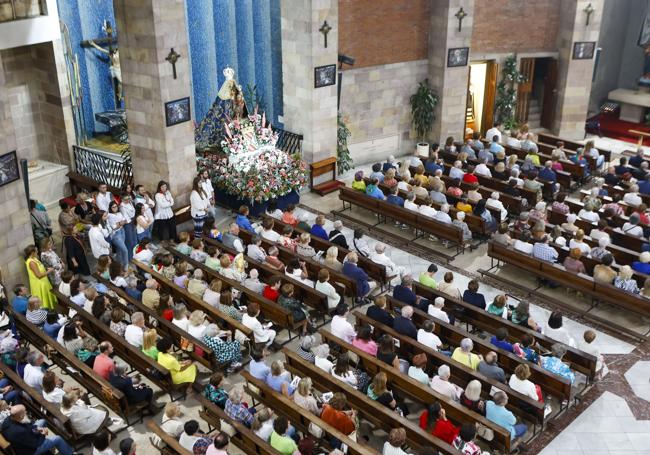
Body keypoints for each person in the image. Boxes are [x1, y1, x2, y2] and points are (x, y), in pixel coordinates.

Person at [1, 404, 74, 455]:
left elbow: (27, 426)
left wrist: (36, 428)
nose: (26, 412)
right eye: (25, 411)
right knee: (57, 439)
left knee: (42, 421)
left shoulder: (8, 420)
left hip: (24, 440)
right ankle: (69, 453)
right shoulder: (20, 431)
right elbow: (36, 444)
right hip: (30, 451)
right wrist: (43, 434)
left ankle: (49, 447)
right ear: (20, 416)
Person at [24, 245, 56, 310]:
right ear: (32, 253)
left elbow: (40, 268)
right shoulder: (31, 262)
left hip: (44, 281)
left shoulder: (35, 259)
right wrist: (49, 271)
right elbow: (39, 275)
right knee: (44, 301)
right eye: (36, 251)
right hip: (40, 284)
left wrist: (46, 269)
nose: (37, 252)